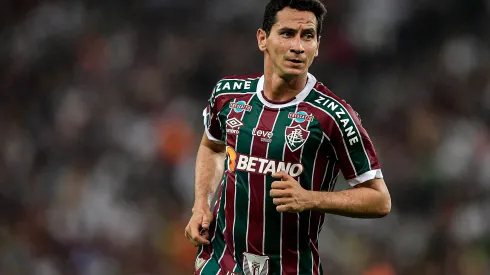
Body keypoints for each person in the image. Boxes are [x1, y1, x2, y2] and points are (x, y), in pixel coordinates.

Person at [185, 0, 391, 274]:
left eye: (307, 36)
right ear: (262, 39)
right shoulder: (228, 95)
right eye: (286, 34)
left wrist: (310, 199)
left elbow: (379, 200)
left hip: (291, 268)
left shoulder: (334, 116)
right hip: (220, 262)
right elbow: (212, 146)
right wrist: (201, 203)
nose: (298, 46)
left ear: (317, 46)